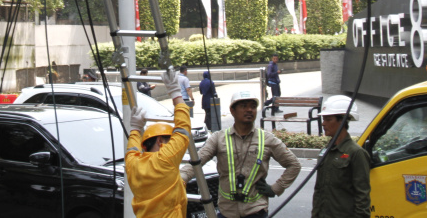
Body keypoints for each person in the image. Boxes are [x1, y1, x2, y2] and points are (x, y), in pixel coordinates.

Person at [181, 90, 301, 218]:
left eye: (253, 107)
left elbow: (294, 165)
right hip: (226, 212)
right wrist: (179, 180)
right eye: (244, 106)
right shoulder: (218, 138)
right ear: (232, 110)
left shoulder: (267, 139)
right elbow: (197, 162)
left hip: (255, 211)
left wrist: (276, 188)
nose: (249, 110)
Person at [126, 70, 189, 217]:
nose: (171, 142)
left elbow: (132, 149)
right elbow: (183, 130)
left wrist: (135, 128)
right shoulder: (165, 159)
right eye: (169, 139)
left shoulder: (133, 164)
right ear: (160, 141)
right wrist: (175, 93)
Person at [311, 95, 371, 218]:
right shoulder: (325, 151)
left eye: (328, 119)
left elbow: (362, 196)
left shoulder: (356, 153)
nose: (323, 123)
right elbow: (319, 190)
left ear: (342, 121)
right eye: (323, 119)